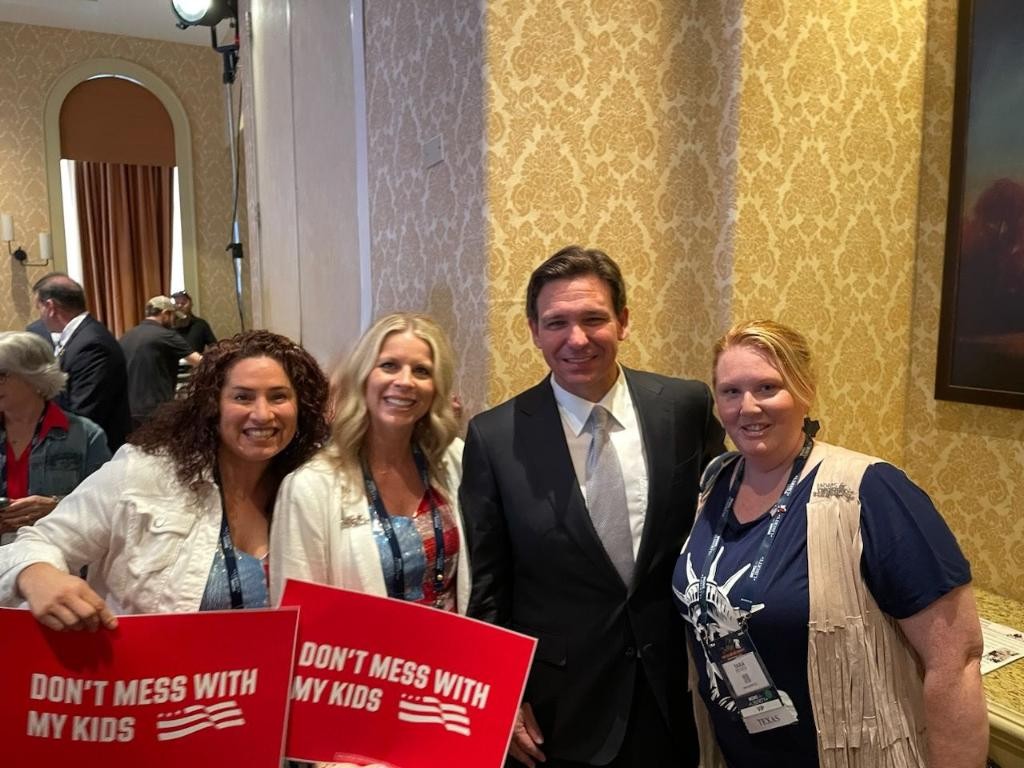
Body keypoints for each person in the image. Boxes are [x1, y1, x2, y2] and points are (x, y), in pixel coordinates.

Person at [673, 320, 986, 767]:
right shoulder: (715, 482)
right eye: (730, 392)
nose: (748, 407)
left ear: (805, 391)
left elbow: (956, 659)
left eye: (767, 387)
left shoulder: (870, 491)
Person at [461, 246, 725, 768]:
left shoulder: (684, 408)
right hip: (558, 711)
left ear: (623, 321)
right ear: (534, 331)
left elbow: (721, 529)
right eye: (556, 322)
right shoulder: (494, 437)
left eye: (593, 319)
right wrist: (500, 694)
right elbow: (488, 587)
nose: (576, 339)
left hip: (673, 694)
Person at [0, 330, 330, 630]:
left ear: (301, 406)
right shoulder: (143, 472)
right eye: (242, 397)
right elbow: (34, 543)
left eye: (278, 397)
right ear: (213, 405)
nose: (262, 414)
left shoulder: (315, 487)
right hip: (156, 674)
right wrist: (36, 574)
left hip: (276, 675)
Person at [270, 313, 469, 614]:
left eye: (421, 371)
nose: (405, 381)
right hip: (355, 645)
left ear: (436, 388)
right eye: (389, 366)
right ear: (362, 377)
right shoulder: (309, 487)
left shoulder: (454, 458)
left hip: (453, 644)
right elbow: (298, 615)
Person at [0, 332, 110, 545]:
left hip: (58, 552)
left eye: (2, 374)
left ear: (33, 376)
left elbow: (106, 504)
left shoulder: (85, 435)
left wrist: (56, 506)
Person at [32, 273, 131, 453]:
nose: (40, 317)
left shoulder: (92, 344)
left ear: (50, 307)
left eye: (39, 308)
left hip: (95, 455)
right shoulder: (79, 337)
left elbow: (84, 413)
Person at [119, 296, 202, 429]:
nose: (174, 321)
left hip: (128, 410)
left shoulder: (126, 336)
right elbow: (199, 361)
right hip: (156, 409)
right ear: (165, 314)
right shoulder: (166, 335)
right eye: (173, 316)